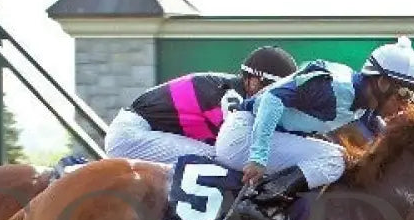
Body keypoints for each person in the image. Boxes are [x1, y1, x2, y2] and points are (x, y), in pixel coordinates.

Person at [213, 36, 414, 220]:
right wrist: (258, 156)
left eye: (413, 96)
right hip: (242, 138)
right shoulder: (333, 89)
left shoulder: (362, 102)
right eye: (405, 94)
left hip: (257, 135)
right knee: (336, 158)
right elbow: (271, 100)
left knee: (338, 156)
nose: (406, 105)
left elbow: (380, 135)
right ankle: (260, 203)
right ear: (382, 83)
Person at [103, 46, 298, 163]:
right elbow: (235, 145)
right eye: (275, 89)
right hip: (130, 135)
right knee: (220, 157)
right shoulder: (231, 96)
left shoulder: (237, 91)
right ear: (253, 81)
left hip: (140, 129)